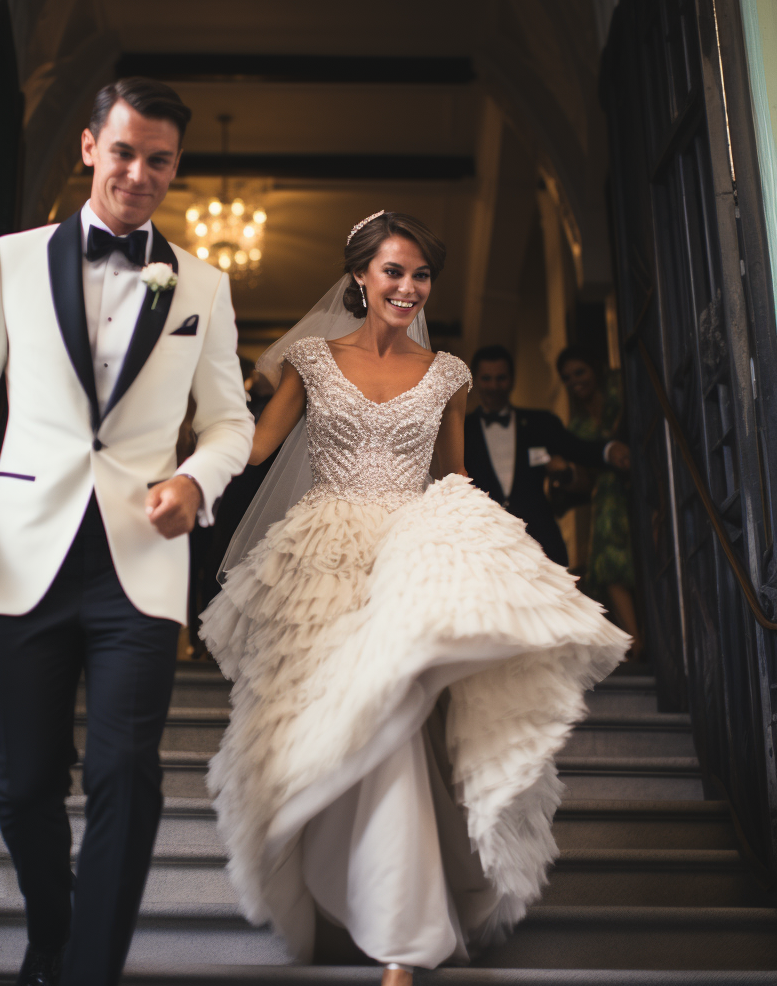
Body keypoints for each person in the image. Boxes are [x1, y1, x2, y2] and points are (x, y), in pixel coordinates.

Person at [0, 78, 254, 986]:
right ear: (89, 147)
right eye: (123, 151)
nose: (139, 173)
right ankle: (54, 931)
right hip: (24, 549)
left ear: (175, 167)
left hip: (142, 562)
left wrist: (195, 483)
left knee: (127, 774)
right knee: (23, 782)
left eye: (159, 159)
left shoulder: (204, 283)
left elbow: (232, 420)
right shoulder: (9, 260)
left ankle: (89, 970)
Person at [199, 211, 629, 985]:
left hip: (408, 554)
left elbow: (453, 476)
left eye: (420, 274)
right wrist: (186, 438)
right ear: (359, 278)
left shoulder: (450, 374)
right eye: (393, 271)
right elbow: (257, 448)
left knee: (398, 723)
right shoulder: (310, 357)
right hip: (323, 559)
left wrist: (482, 562)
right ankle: (347, 904)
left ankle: (404, 934)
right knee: (342, 722)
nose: (407, 287)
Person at [464, 345, 630, 568]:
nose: (494, 386)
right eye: (487, 379)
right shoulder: (461, 430)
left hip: (538, 541)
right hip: (483, 544)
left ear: (512, 380)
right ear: (474, 381)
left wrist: (609, 450)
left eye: (501, 378)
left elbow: (577, 448)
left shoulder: (540, 423)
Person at [556, 345, 642, 659]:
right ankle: (634, 639)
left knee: (647, 557)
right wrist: (563, 474)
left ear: (596, 368)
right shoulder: (576, 426)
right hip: (608, 496)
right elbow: (586, 480)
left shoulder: (621, 389)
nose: (575, 381)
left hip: (646, 479)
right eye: (567, 378)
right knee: (608, 563)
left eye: (580, 372)